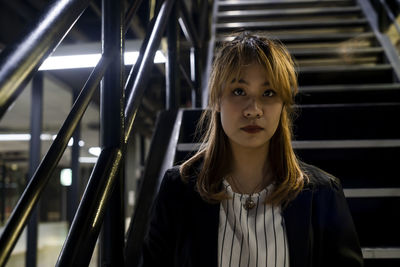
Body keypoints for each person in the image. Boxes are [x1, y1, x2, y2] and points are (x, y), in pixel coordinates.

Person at [141, 31, 364, 267]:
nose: (253, 110)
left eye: (268, 93)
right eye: (239, 91)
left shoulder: (322, 194)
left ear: (283, 105)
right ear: (216, 100)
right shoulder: (178, 190)